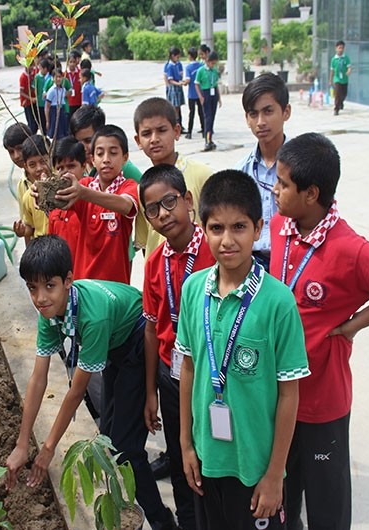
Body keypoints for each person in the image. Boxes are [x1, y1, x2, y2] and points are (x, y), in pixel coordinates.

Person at [269, 133, 369, 530]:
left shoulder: (350, 249)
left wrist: (353, 325)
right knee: (283, 497)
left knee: (328, 505)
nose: (274, 190)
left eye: (283, 184)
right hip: (279, 395)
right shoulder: (279, 226)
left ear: (311, 194)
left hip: (322, 400)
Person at [5, 235, 177, 530]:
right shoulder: (49, 313)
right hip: (114, 345)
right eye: (32, 288)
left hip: (137, 340)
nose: (40, 298)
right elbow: (37, 379)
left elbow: (76, 392)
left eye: (49, 286)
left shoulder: (92, 318)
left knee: (125, 448)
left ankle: (162, 521)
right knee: (107, 435)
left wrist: (48, 449)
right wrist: (22, 444)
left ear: (68, 281)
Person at [177, 170, 310, 530]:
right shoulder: (193, 290)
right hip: (206, 458)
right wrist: (186, 445)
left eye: (239, 227)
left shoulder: (278, 302)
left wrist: (275, 474)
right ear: (203, 228)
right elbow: (188, 368)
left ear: (258, 228)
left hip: (255, 466)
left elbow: (289, 393)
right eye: (216, 228)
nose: (227, 240)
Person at [140, 164, 217, 530]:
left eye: (169, 202)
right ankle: (189, 521)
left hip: (214, 376)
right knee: (180, 454)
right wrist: (150, 391)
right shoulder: (155, 262)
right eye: (152, 209)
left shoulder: (218, 252)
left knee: (213, 454)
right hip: (172, 378)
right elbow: (151, 328)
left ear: (188, 200)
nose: (163, 214)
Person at [55, 125, 138, 284]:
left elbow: (127, 205)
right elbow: (58, 198)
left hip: (115, 285)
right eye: (100, 154)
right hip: (84, 283)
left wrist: (84, 193)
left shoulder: (128, 186)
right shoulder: (84, 184)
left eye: (113, 153)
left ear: (125, 157)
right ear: (92, 159)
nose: (106, 159)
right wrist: (40, 192)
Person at [133, 97, 213, 257]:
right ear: (138, 141)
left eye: (162, 130)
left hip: (199, 265)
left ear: (176, 131)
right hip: (160, 270)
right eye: (147, 134)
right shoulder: (142, 188)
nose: (154, 139)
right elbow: (147, 242)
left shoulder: (202, 175)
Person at [235, 73, 292, 271]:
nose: (260, 122)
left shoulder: (304, 168)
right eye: (253, 114)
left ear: (286, 112)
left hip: (292, 262)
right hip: (251, 266)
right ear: (247, 118)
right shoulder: (240, 172)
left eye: (268, 111)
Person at [70, 105, 142, 183]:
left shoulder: (125, 169)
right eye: (77, 142)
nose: (82, 147)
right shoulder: (79, 165)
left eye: (88, 141)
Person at [49, 136, 85, 258]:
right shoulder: (55, 207)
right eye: (60, 168)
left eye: (71, 166)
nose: (65, 172)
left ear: (84, 166)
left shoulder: (92, 200)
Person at [16, 134, 50, 244]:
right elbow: (30, 227)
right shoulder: (27, 196)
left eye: (43, 161)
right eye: (32, 165)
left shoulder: (63, 188)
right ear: (26, 167)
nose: (39, 168)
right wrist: (22, 231)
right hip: (42, 245)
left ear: (51, 158)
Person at [2, 122, 32, 220]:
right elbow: (27, 221)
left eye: (20, 149)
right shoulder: (22, 185)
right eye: (11, 152)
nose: (16, 156)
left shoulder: (53, 173)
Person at [195, 51, 222, 152]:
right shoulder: (201, 71)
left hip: (213, 94)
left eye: (214, 63)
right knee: (208, 118)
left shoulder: (214, 71)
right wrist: (200, 97)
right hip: (205, 93)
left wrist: (219, 98)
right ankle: (207, 140)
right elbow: (197, 84)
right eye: (212, 63)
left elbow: (216, 84)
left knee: (212, 117)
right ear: (207, 61)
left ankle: (210, 139)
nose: (213, 65)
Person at [163, 46, 187, 132]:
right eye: (177, 56)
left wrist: (182, 81)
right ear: (173, 56)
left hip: (178, 87)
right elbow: (170, 80)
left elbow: (180, 75)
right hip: (173, 88)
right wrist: (179, 83)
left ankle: (179, 125)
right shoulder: (169, 66)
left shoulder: (178, 64)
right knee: (174, 108)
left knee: (178, 108)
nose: (178, 58)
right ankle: (176, 126)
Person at [44, 69, 70, 141]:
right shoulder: (51, 90)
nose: (58, 79)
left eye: (60, 77)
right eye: (56, 77)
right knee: (55, 133)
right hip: (54, 112)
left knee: (63, 133)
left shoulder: (63, 89)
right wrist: (47, 121)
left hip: (61, 111)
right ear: (52, 78)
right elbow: (47, 107)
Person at [185, 47, 204, 139]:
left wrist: (184, 83)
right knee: (201, 112)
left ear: (189, 56)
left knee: (191, 113)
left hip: (192, 94)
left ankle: (189, 133)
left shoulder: (188, 67)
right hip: (200, 93)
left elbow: (188, 80)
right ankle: (204, 130)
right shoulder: (201, 66)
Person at [329, 40, 351, 116]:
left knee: (344, 94)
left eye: (342, 48)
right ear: (336, 48)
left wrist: (349, 71)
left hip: (344, 79)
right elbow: (332, 70)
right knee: (337, 94)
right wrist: (330, 80)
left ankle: (341, 102)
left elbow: (349, 67)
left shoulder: (346, 58)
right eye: (339, 48)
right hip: (337, 79)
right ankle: (336, 109)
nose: (341, 49)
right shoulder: (333, 59)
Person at [18, 66, 39, 133]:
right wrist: (30, 98)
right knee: (31, 122)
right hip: (27, 102)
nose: (32, 68)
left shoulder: (34, 73)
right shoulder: (23, 77)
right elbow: (21, 92)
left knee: (37, 121)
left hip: (34, 100)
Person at [34, 58, 52, 133]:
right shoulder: (37, 77)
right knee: (42, 121)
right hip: (40, 103)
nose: (40, 70)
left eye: (41, 68)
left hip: (49, 103)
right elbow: (35, 89)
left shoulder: (50, 78)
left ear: (45, 69)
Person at [65, 51, 82, 116]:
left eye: (74, 62)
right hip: (69, 103)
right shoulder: (64, 74)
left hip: (78, 102)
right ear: (67, 63)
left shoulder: (80, 73)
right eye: (70, 62)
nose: (72, 64)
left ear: (76, 62)